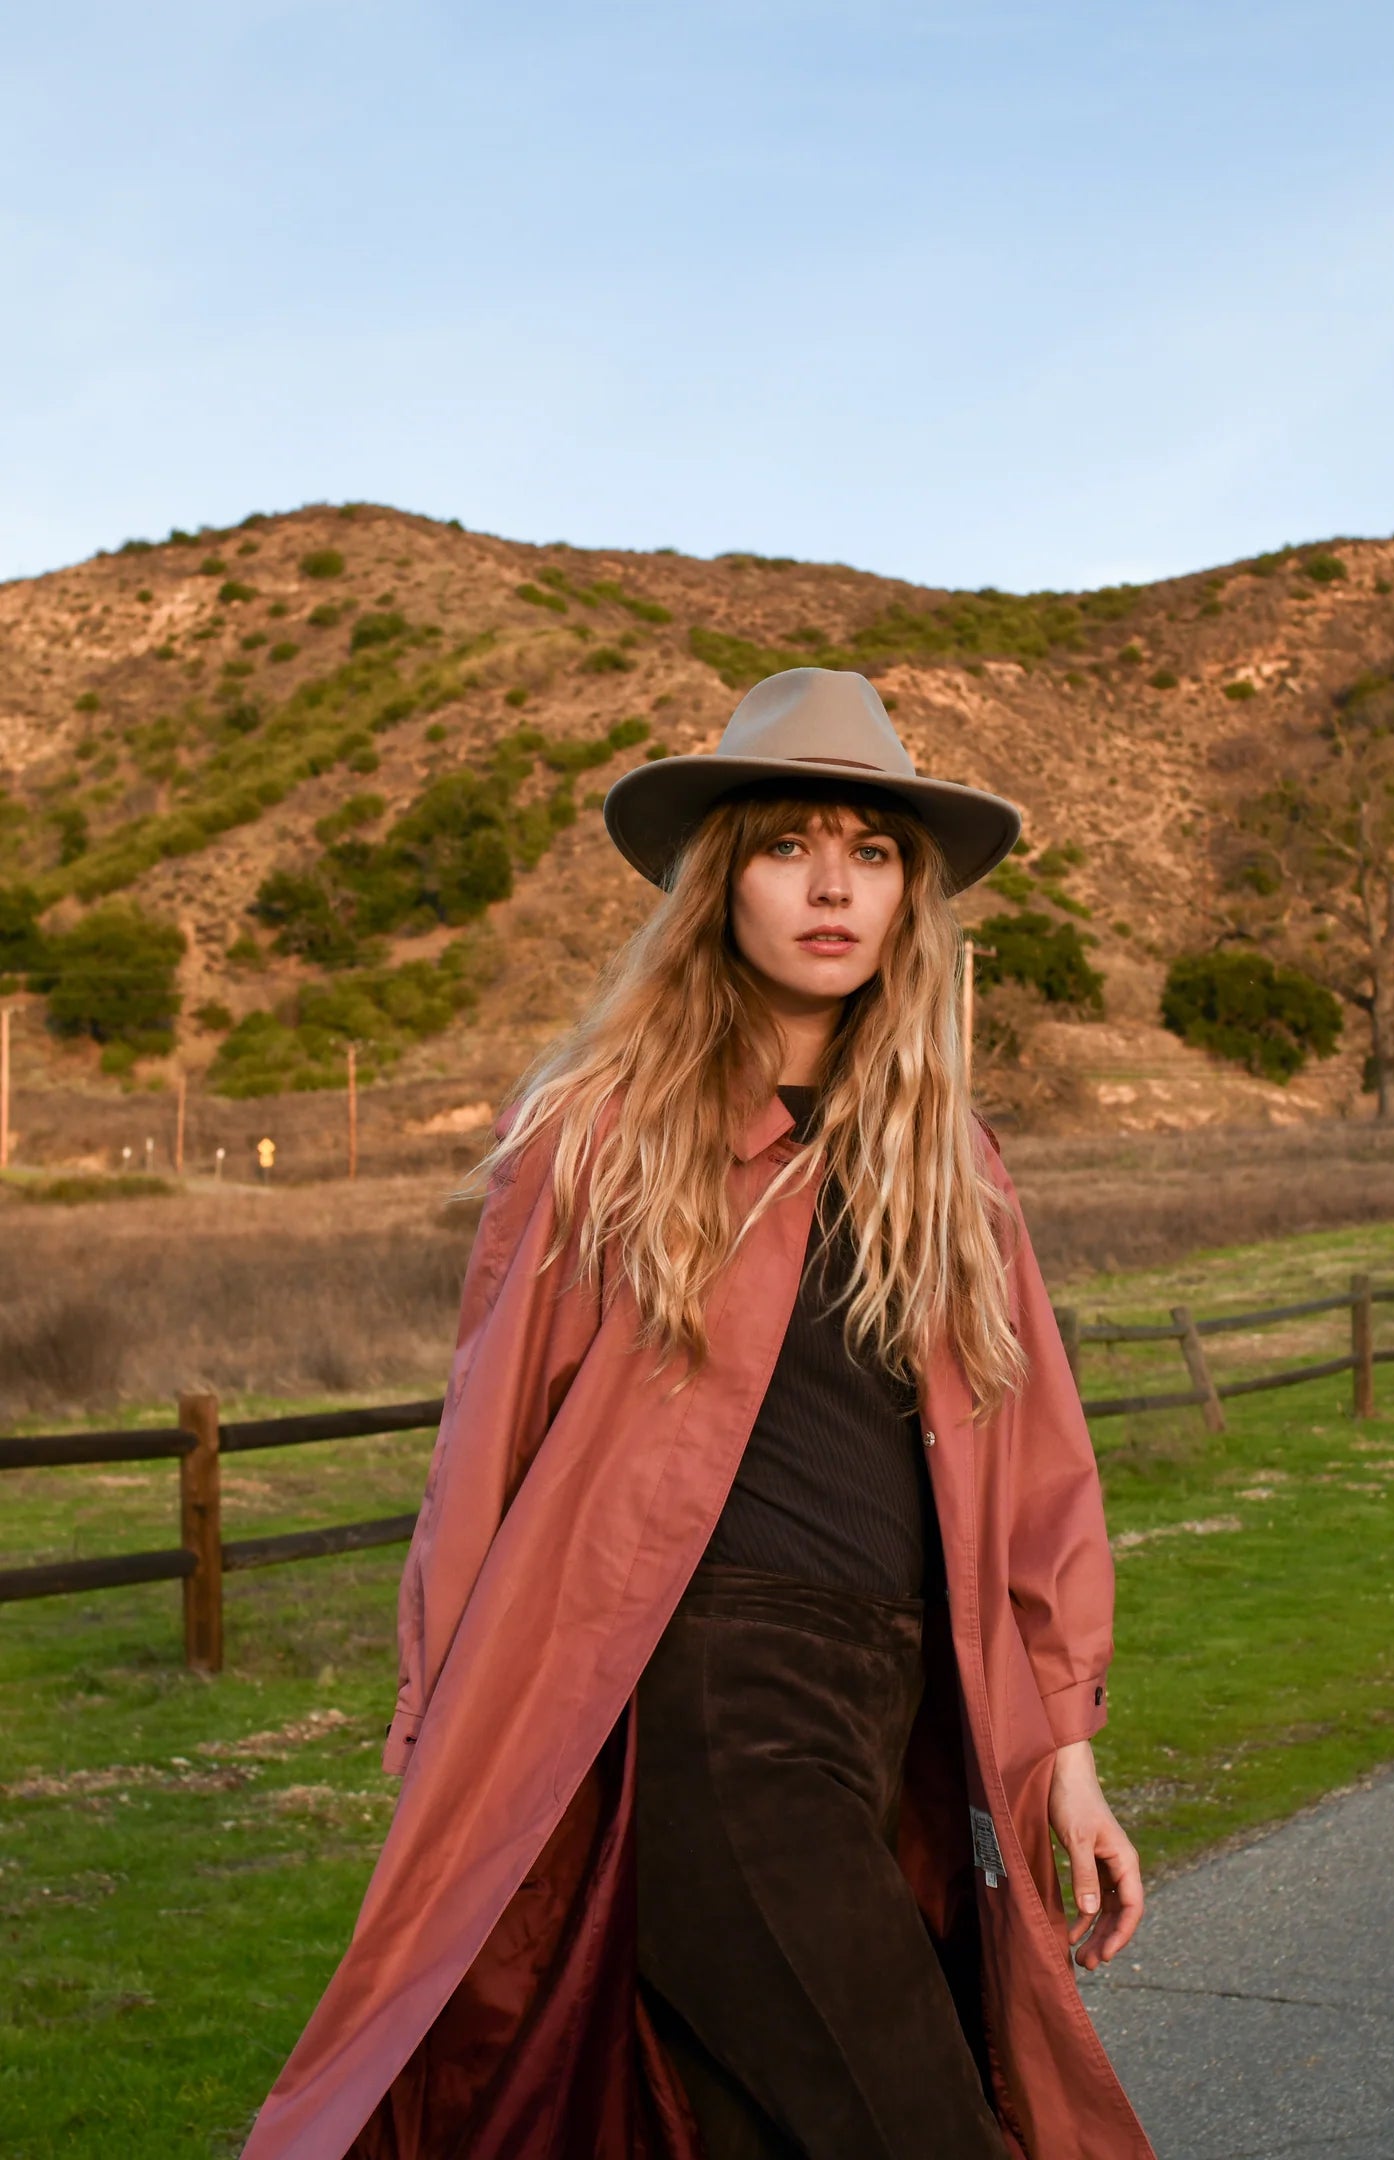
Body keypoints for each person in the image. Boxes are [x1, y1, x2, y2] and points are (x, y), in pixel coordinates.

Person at [241, 668, 1153, 2160]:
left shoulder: (954, 1165)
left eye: (870, 853)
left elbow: (1036, 1469)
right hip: (710, 1701)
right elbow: (488, 1449)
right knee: (928, 2123)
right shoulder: (602, 1134)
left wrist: (1066, 1755)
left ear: (911, 898)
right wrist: (445, 1734)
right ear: (724, 881)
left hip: (895, 1703)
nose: (832, 886)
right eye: (791, 846)